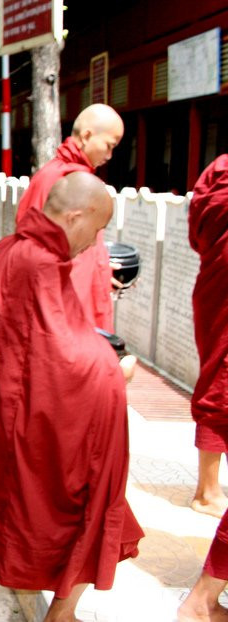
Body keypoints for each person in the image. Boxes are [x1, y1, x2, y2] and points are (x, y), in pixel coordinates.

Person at [0, 172, 143, 622]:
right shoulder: (40, 263)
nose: (94, 244)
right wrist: (112, 370)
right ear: (75, 217)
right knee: (94, 502)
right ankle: (60, 614)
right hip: (29, 421)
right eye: (95, 231)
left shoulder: (8, 249)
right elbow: (61, 355)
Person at [16, 103, 125, 333]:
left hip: (83, 289)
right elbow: (42, 254)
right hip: (67, 297)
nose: (109, 155)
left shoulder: (74, 176)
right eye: (108, 146)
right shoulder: (58, 179)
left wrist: (102, 267)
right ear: (86, 136)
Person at [179, 155, 228, 622]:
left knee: (215, 379)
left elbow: (199, 225)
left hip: (212, 281)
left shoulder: (217, 169)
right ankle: (203, 600)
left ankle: (208, 489)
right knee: (220, 382)